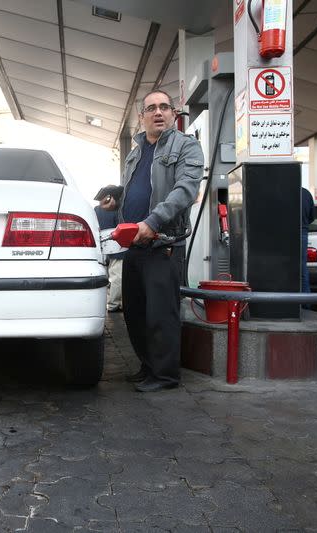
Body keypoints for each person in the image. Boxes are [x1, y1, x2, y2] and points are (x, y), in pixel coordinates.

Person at [100, 90, 204, 392]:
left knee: (161, 314)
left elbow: (184, 190)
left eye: (164, 107)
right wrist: (116, 201)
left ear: (173, 114)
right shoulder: (136, 152)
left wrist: (152, 222)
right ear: (141, 116)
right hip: (133, 243)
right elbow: (139, 189)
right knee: (135, 312)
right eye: (151, 108)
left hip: (163, 242)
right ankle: (148, 367)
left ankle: (166, 375)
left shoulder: (187, 147)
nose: (158, 112)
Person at [94, 191, 125, 312]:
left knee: (108, 277)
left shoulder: (96, 210)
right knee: (117, 277)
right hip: (117, 248)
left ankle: (114, 302)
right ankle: (113, 304)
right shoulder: (117, 210)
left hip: (102, 247)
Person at [300, 187, 315, 295]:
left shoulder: (282, 191)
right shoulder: (306, 193)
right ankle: (306, 304)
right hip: (302, 233)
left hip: (283, 233)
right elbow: (311, 217)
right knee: (302, 270)